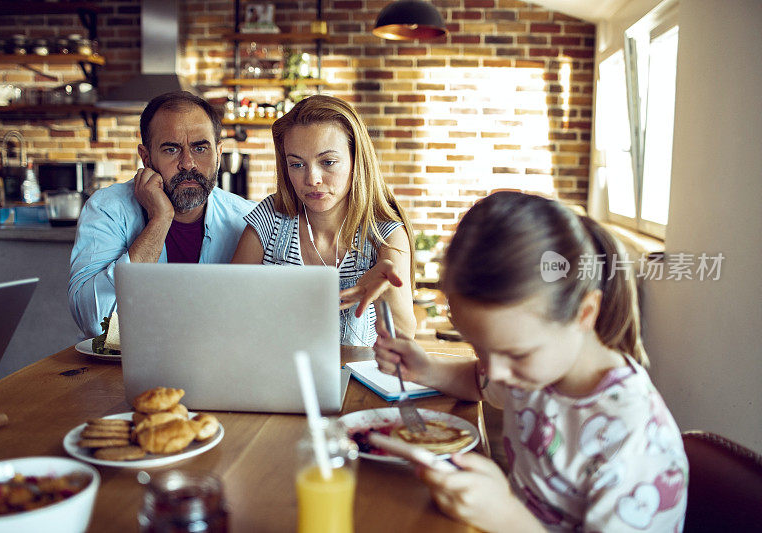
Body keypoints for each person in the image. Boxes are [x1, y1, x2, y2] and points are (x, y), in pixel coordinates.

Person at [374, 191, 689, 532]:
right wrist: (425, 369)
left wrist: (507, 517)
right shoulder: (531, 372)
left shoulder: (635, 439)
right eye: (480, 349)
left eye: (515, 354)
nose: (494, 370)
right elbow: (481, 383)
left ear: (585, 313)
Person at [231, 94, 416, 345]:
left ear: (356, 160)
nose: (312, 179)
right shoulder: (269, 218)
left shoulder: (385, 233)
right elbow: (227, 315)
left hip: (355, 383)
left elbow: (405, 340)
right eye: (296, 164)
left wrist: (388, 294)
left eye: (328, 162)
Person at [69, 91, 255, 338]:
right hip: (121, 372)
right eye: (171, 149)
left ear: (219, 154)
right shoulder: (107, 208)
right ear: (146, 157)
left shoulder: (245, 219)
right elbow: (95, 323)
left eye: (200, 148)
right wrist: (160, 220)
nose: (188, 163)